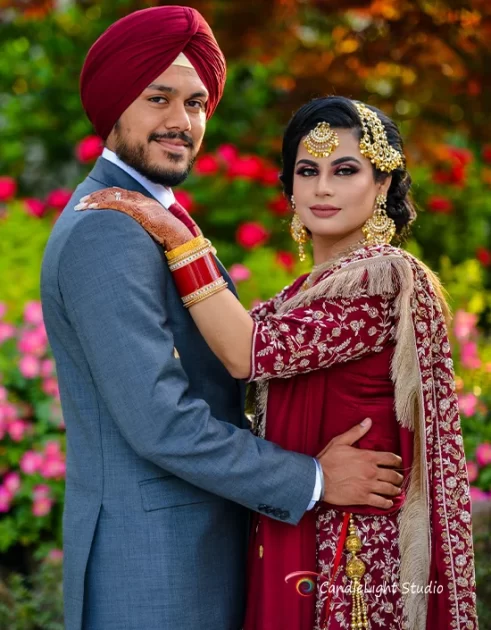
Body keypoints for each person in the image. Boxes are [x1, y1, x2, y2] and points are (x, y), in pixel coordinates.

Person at [40, 8, 404, 630]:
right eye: (159, 98)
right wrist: (313, 479)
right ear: (116, 104)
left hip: (191, 559)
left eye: (196, 102)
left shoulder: (154, 217)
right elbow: (161, 422)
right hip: (154, 572)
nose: (181, 122)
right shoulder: (109, 229)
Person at [78, 96, 478, 630]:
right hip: (306, 522)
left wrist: (176, 235)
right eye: (307, 171)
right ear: (289, 187)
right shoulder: (305, 293)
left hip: (357, 559)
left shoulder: (383, 280)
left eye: (346, 170)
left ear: (382, 184)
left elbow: (247, 352)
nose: (323, 188)